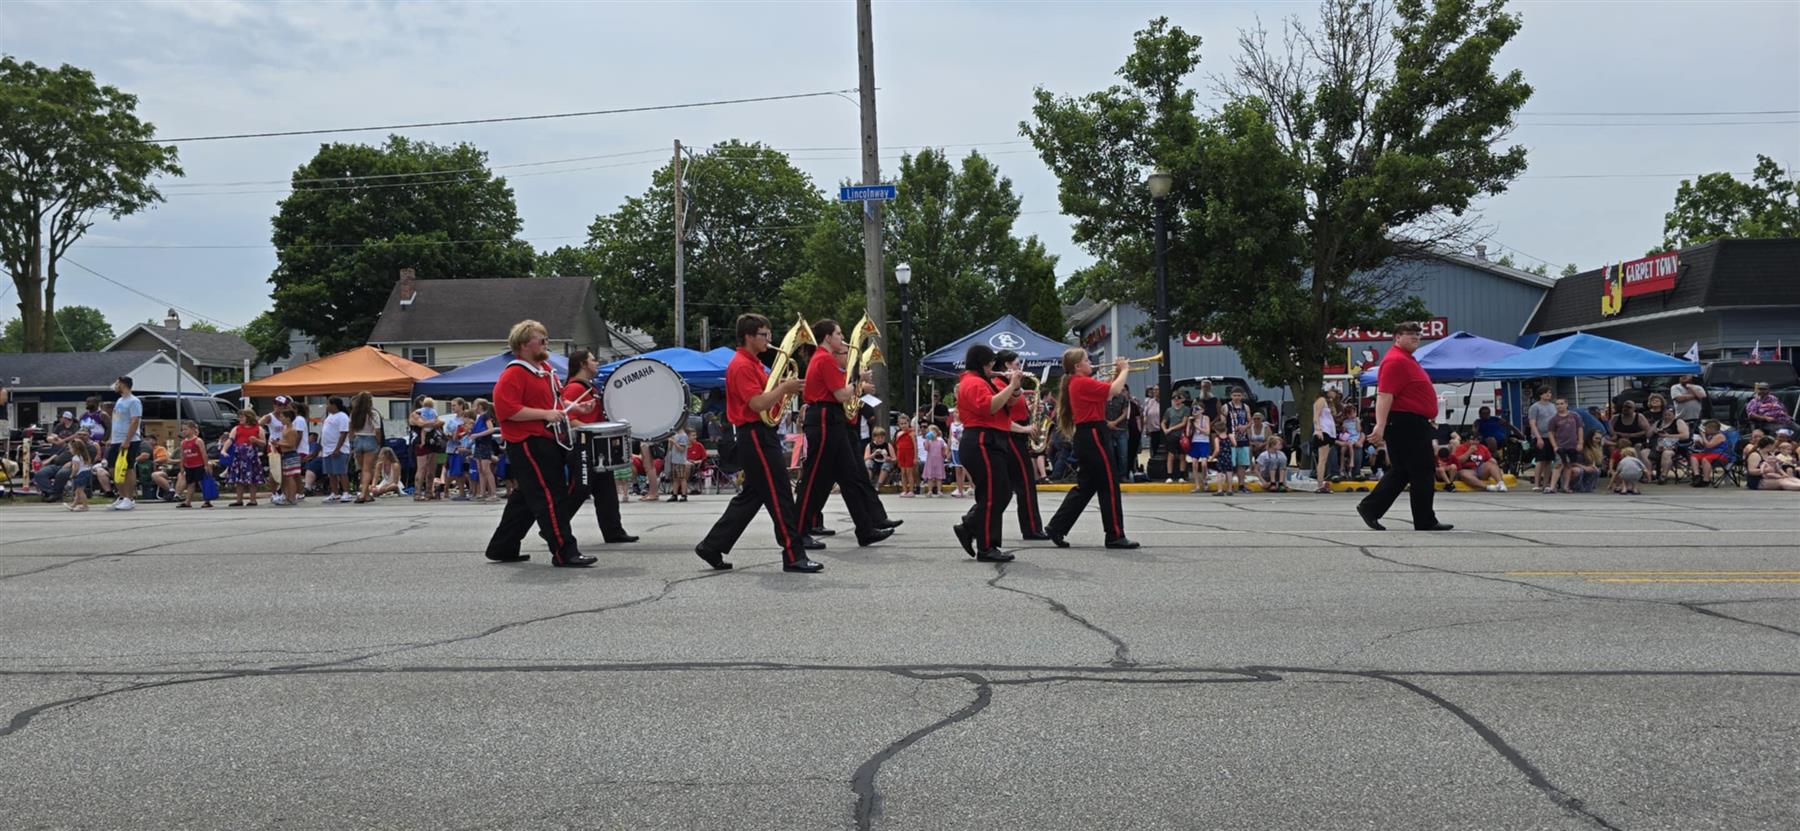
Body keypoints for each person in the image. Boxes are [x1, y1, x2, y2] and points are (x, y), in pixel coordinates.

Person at [696, 313, 823, 573]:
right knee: (780, 495)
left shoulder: (752, 363)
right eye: (764, 335)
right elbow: (757, 403)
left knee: (752, 497)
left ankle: (712, 545)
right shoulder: (741, 365)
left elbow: (767, 400)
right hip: (754, 434)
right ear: (748, 337)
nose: (769, 340)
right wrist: (783, 389)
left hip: (760, 432)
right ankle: (793, 555)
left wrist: (782, 392)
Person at [483, 320, 593, 567]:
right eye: (540, 338)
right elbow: (506, 410)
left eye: (546, 337)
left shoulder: (546, 371)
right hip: (527, 443)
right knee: (549, 496)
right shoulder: (514, 373)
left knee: (525, 498)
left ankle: (503, 546)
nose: (546, 342)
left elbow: (552, 406)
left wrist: (574, 408)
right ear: (523, 345)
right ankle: (564, 552)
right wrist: (544, 415)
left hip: (547, 439)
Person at [792, 318, 893, 548]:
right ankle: (798, 532)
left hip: (832, 419)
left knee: (850, 476)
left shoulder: (824, 359)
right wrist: (858, 381)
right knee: (813, 479)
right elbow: (841, 394)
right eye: (838, 334)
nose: (841, 338)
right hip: (826, 419)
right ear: (827, 337)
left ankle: (865, 529)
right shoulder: (825, 359)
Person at [1357, 323, 1452, 532]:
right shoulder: (1395, 360)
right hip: (1405, 423)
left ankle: (1371, 508)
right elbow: (1384, 395)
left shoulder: (1407, 359)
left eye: (1418, 334)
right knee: (1423, 470)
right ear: (1397, 337)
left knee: (1403, 471)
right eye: (1410, 334)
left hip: (1411, 421)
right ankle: (1425, 520)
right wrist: (1380, 426)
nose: (1416, 337)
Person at [1043, 348, 1137, 549]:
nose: (1090, 362)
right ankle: (1114, 535)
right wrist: (1124, 369)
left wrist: (1116, 374)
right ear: (1077, 366)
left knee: (1086, 486)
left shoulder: (1078, 383)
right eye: (1087, 360)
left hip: (1089, 434)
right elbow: (1115, 391)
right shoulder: (1081, 382)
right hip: (1094, 434)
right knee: (1109, 484)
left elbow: (1106, 392)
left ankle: (1057, 526)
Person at [949, 343, 1021, 561]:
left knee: (1001, 492)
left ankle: (970, 527)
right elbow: (990, 406)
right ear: (981, 363)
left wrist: (1014, 387)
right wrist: (1011, 386)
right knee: (993, 494)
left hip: (990, 440)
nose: (993, 367)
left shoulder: (982, 381)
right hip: (981, 440)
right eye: (990, 363)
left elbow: (1009, 403)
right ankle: (986, 545)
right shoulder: (972, 383)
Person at [560, 348, 639, 543]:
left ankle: (614, 531)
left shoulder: (590, 387)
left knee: (606, 491)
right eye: (593, 360)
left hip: (595, 447)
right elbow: (569, 419)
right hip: (583, 447)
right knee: (580, 490)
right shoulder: (574, 389)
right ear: (583, 364)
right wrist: (593, 431)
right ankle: (554, 527)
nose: (597, 363)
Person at [990, 350, 1049, 540]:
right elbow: (1002, 416)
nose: (1019, 366)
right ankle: (1031, 528)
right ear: (1007, 365)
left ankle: (1032, 527)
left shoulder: (1010, 384)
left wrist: (1031, 409)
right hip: (1011, 436)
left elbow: (1015, 408)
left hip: (1018, 434)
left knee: (1011, 486)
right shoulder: (999, 384)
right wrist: (1024, 429)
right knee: (1025, 484)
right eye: (1016, 363)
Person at [104, 375, 143, 511]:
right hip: (117, 440)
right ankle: (121, 496)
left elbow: (134, 421)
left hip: (130, 440)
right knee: (112, 468)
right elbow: (117, 421)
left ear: (123, 384)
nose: (115, 385)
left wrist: (127, 440)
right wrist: (111, 438)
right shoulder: (120, 400)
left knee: (127, 468)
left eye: (117, 383)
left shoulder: (134, 401)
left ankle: (129, 498)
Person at [223, 408, 266, 506]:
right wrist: (224, 449)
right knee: (239, 479)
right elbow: (230, 440)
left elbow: (263, 443)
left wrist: (256, 441)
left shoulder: (258, 428)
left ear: (249, 417)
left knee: (252, 479)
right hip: (239, 457)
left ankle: (253, 499)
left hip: (251, 457)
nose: (240, 419)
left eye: (242, 417)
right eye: (239, 417)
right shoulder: (236, 428)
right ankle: (239, 500)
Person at [348, 392, 384, 504]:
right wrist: (378, 443)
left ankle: (366, 494)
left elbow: (351, 429)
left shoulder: (354, 413)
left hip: (358, 439)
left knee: (361, 469)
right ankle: (363, 494)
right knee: (368, 469)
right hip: (370, 439)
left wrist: (352, 441)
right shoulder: (373, 413)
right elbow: (377, 430)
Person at [409, 396, 444, 502]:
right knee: (422, 468)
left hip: (433, 442)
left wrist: (429, 423)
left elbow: (441, 422)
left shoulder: (433, 412)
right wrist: (433, 423)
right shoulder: (415, 414)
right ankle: (418, 492)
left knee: (432, 469)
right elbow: (421, 424)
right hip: (421, 442)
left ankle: (429, 491)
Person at [318, 397, 352, 503]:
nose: (327, 406)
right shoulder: (329, 417)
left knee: (341, 472)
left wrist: (337, 448)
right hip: (327, 449)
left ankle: (346, 492)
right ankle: (335, 493)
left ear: (334, 405)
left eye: (328, 404)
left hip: (338, 449)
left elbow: (343, 433)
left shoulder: (342, 416)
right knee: (331, 473)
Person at [1546, 399, 1583, 494]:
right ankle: (1552, 487)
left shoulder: (1575, 416)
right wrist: (1554, 446)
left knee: (1568, 465)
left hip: (1572, 445)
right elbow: (1550, 433)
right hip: (1560, 445)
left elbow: (1579, 429)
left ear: (1566, 404)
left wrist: (1580, 442)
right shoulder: (1554, 419)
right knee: (1558, 465)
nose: (1559, 406)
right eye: (1557, 404)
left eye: (1562, 404)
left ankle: (1565, 486)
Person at [1526, 387, 1557, 492]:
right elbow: (1532, 423)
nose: (1548, 394)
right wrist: (1538, 437)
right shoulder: (1535, 407)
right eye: (1546, 393)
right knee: (1540, 460)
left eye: (1550, 392)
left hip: (1551, 436)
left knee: (1549, 460)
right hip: (1540, 435)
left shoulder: (1553, 406)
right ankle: (1536, 483)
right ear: (1540, 395)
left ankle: (1546, 483)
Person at [176, 421, 213, 509]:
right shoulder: (183, 442)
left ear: (193, 429)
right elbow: (182, 455)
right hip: (189, 466)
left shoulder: (198, 441)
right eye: (183, 430)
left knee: (201, 483)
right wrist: (181, 466)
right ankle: (188, 501)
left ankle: (207, 501)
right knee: (190, 484)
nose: (184, 431)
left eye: (186, 429)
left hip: (199, 465)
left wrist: (206, 465)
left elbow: (204, 453)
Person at [1649, 404, 1690, 483]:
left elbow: (1685, 435)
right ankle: (1649, 475)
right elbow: (1648, 434)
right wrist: (1654, 430)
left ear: (1674, 415)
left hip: (1672, 447)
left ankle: (1663, 476)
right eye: (1665, 415)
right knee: (1644, 452)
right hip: (1656, 446)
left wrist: (1668, 435)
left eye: (1669, 415)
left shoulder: (1678, 422)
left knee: (1666, 454)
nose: (1667, 417)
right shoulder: (1659, 422)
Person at [1223, 388, 1253, 494]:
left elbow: (1250, 421)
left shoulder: (1245, 407)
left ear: (1242, 396)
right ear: (1231, 396)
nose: (1237, 397)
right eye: (1235, 395)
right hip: (1231, 438)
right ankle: (1229, 486)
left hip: (1243, 438)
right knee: (1230, 463)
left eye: (1239, 395)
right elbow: (1222, 423)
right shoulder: (1226, 407)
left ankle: (1241, 485)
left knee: (1242, 463)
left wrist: (1245, 427)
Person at [1312, 388, 1341, 493]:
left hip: (1330, 432)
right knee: (1322, 460)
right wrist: (1318, 429)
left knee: (1324, 460)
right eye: (1334, 392)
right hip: (1323, 431)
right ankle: (1320, 484)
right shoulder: (1321, 400)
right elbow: (1316, 416)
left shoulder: (1328, 402)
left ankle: (1322, 482)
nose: (1335, 394)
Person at [470, 399, 499, 502]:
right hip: (478, 444)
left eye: (475, 405)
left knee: (486, 469)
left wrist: (477, 435)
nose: (473, 407)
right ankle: (482, 492)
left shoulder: (486, 416)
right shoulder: (479, 417)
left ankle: (494, 493)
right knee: (480, 469)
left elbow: (491, 429)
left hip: (484, 445)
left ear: (480, 406)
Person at [1689, 420, 1729, 486]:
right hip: (1709, 453)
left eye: (1706, 428)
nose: (1704, 430)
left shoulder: (1720, 436)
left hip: (1720, 455)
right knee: (1693, 456)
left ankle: (1706, 480)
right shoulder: (1710, 436)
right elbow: (1706, 446)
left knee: (1705, 459)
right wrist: (1699, 442)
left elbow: (1709, 445)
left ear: (1712, 429)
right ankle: (1697, 476)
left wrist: (1703, 436)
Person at [1162, 391, 1190, 483]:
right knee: (1171, 455)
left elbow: (1183, 423)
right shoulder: (1169, 410)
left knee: (1182, 455)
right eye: (1174, 399)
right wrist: (1165, 429)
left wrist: (1171, 428)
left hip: (1181, 435)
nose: (1176, 400)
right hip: (1171, 436)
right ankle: (1169, 475)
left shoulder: (1186, 409)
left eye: (1179, 398)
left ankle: (1181, 475)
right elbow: (1163, 422)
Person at [1187, 404, 1213, 494]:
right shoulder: (1191, 420)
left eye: (1197, 409)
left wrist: (1197, 426)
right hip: (1195, 442)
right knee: (1194, 464)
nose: (1195, 411)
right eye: (1194, 409)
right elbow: (1187, 433)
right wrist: (1190, 423)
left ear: (1202, 410)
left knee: (1204, 464)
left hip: (1204, 442)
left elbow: (1207, 432)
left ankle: (1205, 480)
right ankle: (1197, 485)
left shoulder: (1205, 418)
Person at [893, 414, 919, 498]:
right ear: (899, 424)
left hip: (909, 454)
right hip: (901, 454)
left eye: (905, 423)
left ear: (908, 423)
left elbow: (915, 445)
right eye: (901, 424)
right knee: (903, 473)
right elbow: (897, 445)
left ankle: (911, 490)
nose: (903, 425)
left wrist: (915, 457)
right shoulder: (898, 434)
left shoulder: (911, 433)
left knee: (909, 473)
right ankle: (905, 490)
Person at [920, 424, 948, 496]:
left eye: (934, 432)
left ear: (937, 433)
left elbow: (944, 448)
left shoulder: (940, 440)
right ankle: (930, 490)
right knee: (930, 477)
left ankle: (939, 490)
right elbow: (926, 448)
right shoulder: (928, 441)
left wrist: (944, 455)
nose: (932, 434)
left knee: (939, 477)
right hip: (930, 461)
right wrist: (927, 439)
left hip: (939, 461)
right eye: (930, 432)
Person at [669, 426, 694, 502]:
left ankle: (684, 495)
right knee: (675, 479)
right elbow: (670, 448)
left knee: (682, 478)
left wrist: (674, 442)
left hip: (680, 460)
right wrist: (670, 442)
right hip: (674, 459)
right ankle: (674, 494)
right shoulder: (675, 435)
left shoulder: (683, 436)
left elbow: (682, 449)